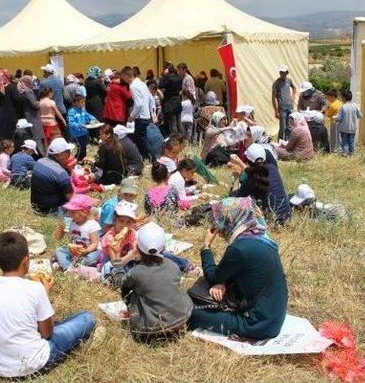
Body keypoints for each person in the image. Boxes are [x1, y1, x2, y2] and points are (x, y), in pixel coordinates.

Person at [0, 231, 95, 378]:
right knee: (86, 317)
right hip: (33, 363)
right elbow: (47, 333)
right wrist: (45, 292)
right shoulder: (35, 289)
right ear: (26, 261)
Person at [188, 197, 288, 339]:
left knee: (190, 313)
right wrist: (222, 281)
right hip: (273, 315)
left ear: (232, 218)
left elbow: (212, 276)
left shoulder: (240, 249)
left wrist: (206, 246)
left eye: (222, 219)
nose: (220, 225)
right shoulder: (262, 239)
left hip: (258, 324)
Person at [111, 222, 193, 341]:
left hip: (149, 329)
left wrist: (118, 258)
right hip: (182, 319)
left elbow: (119, 281)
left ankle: (132, 313)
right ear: (164, 248)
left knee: (127, 287)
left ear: (137, 248)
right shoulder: (173, 266)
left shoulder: (136, 272)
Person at [228, 144, 291, 224]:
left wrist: (237, 177)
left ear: (248, 162)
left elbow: (233, 200)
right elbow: (267, 153)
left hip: (272, 220)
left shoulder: (251, 179)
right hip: (288, 216)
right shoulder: (273, 167)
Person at [53, 194, 101, 271]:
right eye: (69, 211)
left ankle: (68, 264)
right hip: (74, 251)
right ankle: (69, 268)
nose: (69, 214)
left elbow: (94, 243)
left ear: (84, 212)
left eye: (73, 212)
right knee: (59, 251)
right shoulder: (69, 222)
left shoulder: (92, 224)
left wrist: (86, 251)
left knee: (93, 257)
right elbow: (57, 237)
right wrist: (60, 228)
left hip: (89, 252)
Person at [30, 138, 74, 214]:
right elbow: (73, 199)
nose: (70, 154)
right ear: (60, 155)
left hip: (36, 207)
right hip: (51, 211)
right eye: (68, 151)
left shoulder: (39, 162)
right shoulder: (61, 173)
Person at [99, 201, 139, 281]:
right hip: (112, 261)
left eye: (128, 222)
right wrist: (132, 255)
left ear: (132, 224)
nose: (124, 225)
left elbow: (137, 256)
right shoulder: (110, 238)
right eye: (121, 221)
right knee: (108, 267)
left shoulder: (132, 233)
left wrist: (135, 254)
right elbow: (115, 263)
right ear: (114, 221)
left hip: (125, 260)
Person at [119, 66, 150, 158]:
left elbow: (138, 104)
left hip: (140, 116)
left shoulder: (132, 86)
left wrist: (131, 116)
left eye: (123, 77)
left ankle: (144, 157)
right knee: (142, 138)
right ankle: (145, 156)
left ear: (126, 75)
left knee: (140, 140)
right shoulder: (141, 83)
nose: (123, 80)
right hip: (146, 115)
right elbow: (148, 97)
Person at [0, 69, 22, 148]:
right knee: (8, 136)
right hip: (10, 115)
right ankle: (8, 152)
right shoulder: (11, 87)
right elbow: (18, 99)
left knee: (0, 136)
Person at [18, 75, 45, 154]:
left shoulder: (22, 91)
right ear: (27, 83)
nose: (33, 84)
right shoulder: (28, 92)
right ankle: (41, 155)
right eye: (31, 82)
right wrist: (40, 102)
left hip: (27, 115)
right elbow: (34, 104)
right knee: (36, 136)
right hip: (32, 116)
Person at [67, 94, 97, 161]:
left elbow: (87, 115)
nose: (83, 104)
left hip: (84, 132)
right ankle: (79, 159)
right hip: (77, 134)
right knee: (81, 147)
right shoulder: (72, 112)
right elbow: (71, 123)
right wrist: (80, 125)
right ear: (76, 102)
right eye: (82, 102)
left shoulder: (83, 109)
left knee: (84, 146)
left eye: (84, 102)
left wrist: (93, 119)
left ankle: (83, 158)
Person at [271, 65, 297, 140]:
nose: (282, 74)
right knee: (283, 127)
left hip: (290, 107)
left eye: (284, 72)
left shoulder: (289, 80)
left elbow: (294, 88)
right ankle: (280, 142)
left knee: (289, 126)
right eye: (281, 72)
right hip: (282, 109)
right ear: (279, 73)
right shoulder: (276, 83)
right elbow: (273, 98)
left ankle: (287, 142)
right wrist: (276, 111)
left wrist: (293, 97)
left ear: (287, 73)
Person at [40, 64, 67, 129]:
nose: (43, 73)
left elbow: (41, 97)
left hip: (50, 112)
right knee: (64, 130)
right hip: (61, 109)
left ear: (47, 72)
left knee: (53, 133)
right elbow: (64, 95)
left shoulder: (43, 83)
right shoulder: (60, 81)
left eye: (44, 72)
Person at [159, 64, 183, 136]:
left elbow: (161, 84)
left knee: (173, 123)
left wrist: (164, 75)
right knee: (179, 122)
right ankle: (181, 138)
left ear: (168, 70)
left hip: (170, 102)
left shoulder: (168, 78)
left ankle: (175, 139)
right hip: (178, 100)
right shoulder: (179, 78)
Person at [336, 91, 361, 156]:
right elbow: (360, 115)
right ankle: (351, 153)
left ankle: (345, 152)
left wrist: (335, 117)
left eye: (342, 97)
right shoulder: (355, 106)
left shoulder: (343, 107)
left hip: (344, 128)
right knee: (351, 140)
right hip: (353, 128)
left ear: (344, 98)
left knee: (344, 141)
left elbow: (339, 118)